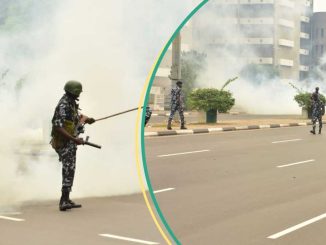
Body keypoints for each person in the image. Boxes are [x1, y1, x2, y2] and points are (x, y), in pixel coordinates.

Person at [51, 80, 95, 211]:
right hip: (64, 143)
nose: (79, 95)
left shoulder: (70, 103)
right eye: (78, 93)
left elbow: (73, 118)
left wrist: (87, 119)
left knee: (70, 169)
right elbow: (58, 126)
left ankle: (66, 198)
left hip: (69, 142)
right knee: (68, 169)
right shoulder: (63, 105)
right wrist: (74, 139)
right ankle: (63, 201)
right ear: (73, 92)